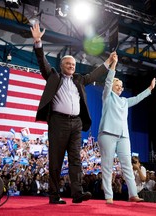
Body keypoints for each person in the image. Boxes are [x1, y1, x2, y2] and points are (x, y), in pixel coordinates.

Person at [30, 23, 116, 204]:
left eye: (73, 64)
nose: (71, 66)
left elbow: (94, 75)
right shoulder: (54, 76)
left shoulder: (79, 79)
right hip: (58, 122)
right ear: (61, 65)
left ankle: (77, 193)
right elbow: (42, 63)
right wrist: (38, 42)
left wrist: (108, 63)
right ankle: (54, 196)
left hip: (76, 123)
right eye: (68, 64)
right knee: (56, 160)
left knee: (76, 159)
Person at [97, 56, 156, 204]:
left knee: (128, 166)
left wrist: (149, 89)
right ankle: (109, 196)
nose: (119, 86)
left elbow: (137, 98)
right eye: (117, 84)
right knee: (107, 165)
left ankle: (133, 194)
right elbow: (108, 80)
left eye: (121, 85)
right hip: (107, 133)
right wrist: (114, 64)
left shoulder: (124, 101)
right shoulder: (107, 96)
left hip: (123, 136)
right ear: (111, 86)